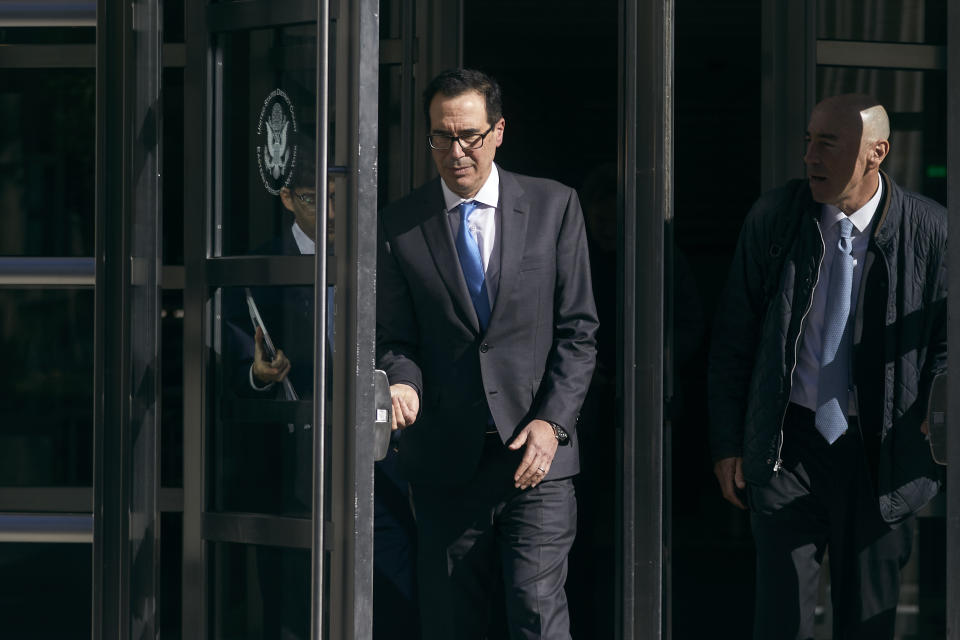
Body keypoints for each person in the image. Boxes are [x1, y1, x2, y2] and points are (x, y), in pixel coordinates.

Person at [709, 94, 947, 639]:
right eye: (808, 142)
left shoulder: (933, 232)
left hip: (882, 452)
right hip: (789, 446)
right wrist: (728, 442)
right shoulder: (775, 218)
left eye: (827, 143)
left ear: (875, 154)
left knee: (868, 621)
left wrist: (935, 411)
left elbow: (947, 342)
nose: (810, 156)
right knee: (781, 619)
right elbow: (734, 338)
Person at [376, 68, 598, 639]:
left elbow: (579, 331)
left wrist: (553, 422)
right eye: (442, 137)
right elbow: (395, 338)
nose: (456, 151)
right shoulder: (400, 224)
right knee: (453, 622)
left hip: (535, 460)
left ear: (498, 132)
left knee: (536, 613)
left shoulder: (554, 207)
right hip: (446, 463)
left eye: (469, 135)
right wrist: (402, 381)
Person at [226, 155, 419, 639]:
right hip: (292, 472)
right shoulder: (257, 270)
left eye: (341, 200)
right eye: (317, 200)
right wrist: (257, 373)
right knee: (295, 611)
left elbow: (405, 342)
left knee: (389, 607)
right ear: (288, 199)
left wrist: (401, 383)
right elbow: (225, 368)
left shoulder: (385, 261)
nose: (333, 214)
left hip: (378, 470)